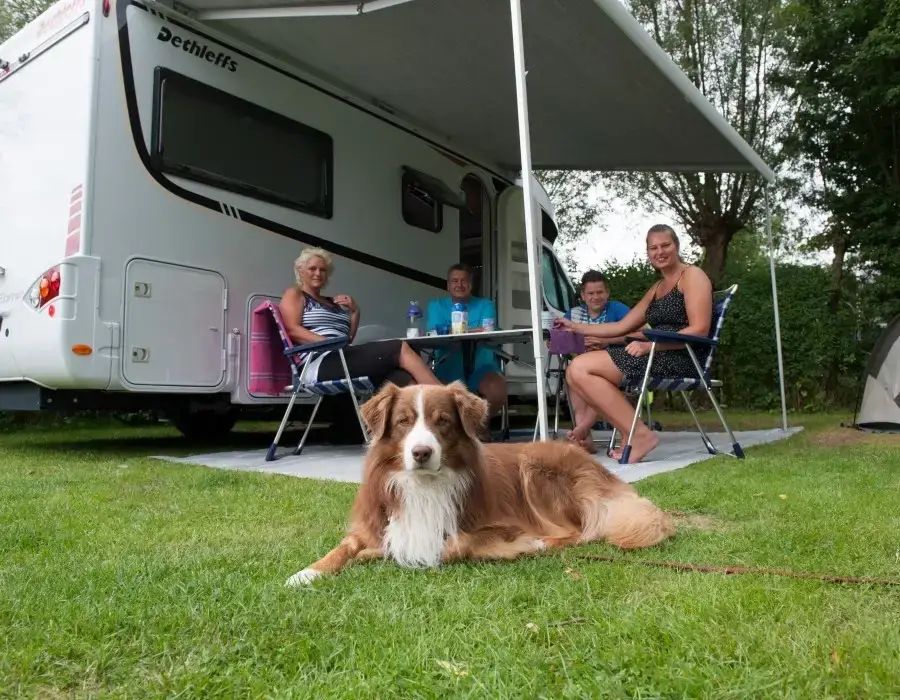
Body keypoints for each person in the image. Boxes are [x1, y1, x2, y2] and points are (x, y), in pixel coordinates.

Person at [556, 224, 714, 463]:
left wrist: (651, 346)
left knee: (580, 368)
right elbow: (621, 326)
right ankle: (631, 433)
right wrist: (574, 326)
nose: (659, 252)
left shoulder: (692, 276)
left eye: (665, 245)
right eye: (653, 248)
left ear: (677, 246)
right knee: (575, 370)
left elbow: (699, 329)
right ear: (648, 252)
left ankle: (637, 434)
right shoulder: (657, 288)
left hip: (682, 357)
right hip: (655, 355)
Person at [279, 247, 442, 390]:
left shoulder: (332, 301)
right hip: (317, 363)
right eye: (312, 268)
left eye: (322, 270)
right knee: (398, 348)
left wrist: (355, 312)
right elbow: (292, 330)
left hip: (341, 356)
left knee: (401, 378)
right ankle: (446, 396)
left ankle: (431, 411)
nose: (318, 273)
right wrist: (327, 342)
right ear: (301, 271)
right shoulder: (295, 294)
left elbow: (348, 339)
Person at [560, 270, 633, 453]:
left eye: (600, 292)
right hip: (581, 366)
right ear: (583, 295)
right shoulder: (574, 314)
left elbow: (639, 334)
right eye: (590, 293)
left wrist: (608, 341)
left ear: (607, 293)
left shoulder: (618, 309)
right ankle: (586, 440)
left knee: (596, 381)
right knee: (573, 378)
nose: (595, 297)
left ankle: (582, 430)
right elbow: (561, 341)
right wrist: (571, 342)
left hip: (613, 365)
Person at [426, 263, 508, 417]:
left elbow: (488, 329)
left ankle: (478, 426)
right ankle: (458, 428)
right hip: (447, 368)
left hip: (482, 368)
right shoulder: (436, 306)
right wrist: (474, 329)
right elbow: (435, 332)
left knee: (497, 391)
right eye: (455, 281)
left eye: (464, 281)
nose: (459, 285)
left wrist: (451, 330)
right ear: (448, 285)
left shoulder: (485, 305)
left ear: (471, 285)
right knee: (435, 396)